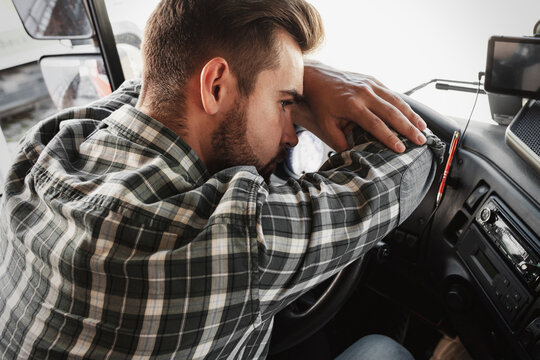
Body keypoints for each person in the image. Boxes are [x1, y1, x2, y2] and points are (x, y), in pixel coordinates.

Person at [0, 0, 443, 359]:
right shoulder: (231, 237)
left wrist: (292, 79)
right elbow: (416, 156)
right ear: (215, 86)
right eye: (286, 105)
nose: (292, 133)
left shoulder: (44, 150)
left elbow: (155, 85)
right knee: (383, 350)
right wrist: (322, 83)